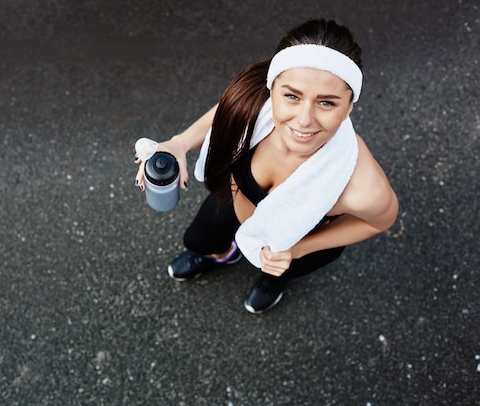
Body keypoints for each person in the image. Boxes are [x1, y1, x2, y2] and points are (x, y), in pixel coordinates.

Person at [134, 19, 398, 314]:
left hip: (294, 241)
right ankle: (222, 255)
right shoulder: (252, 101)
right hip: (234, 204)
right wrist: (179, 143)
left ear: (349, 106)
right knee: (197, 240)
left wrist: (296, 251)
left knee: (280, 270)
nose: (304, 120)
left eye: (326, 103)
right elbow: (225, 113)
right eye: (291, 96)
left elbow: (380, 220)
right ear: (270, 90)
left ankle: (273, 283)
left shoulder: (360, 184)